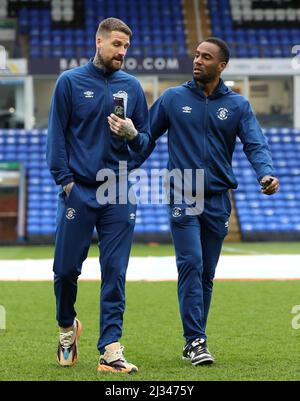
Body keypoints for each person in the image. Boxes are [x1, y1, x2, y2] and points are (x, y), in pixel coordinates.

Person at [148, 37, 279, 366]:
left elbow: (255, 143)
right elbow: (146, 137)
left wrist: (266, 173)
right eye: (196, 55)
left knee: (206, 273)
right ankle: (195, 341)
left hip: (219, 198)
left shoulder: (237, 106)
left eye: (206, 57)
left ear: (221, 66)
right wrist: (120, 163)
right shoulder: (173, 99)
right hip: (182, 192)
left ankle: (194, 339)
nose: (197, 61)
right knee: (190, 263)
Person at [47, 17, 151, 373]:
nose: (122, 52)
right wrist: (66, 183)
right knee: (64, 271)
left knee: (115, 271)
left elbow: (146, 143)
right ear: (99, 42)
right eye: (117, 45)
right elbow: (56, 137)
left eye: (126, 47)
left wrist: (134, 134)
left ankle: (110, 349)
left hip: (119, 189)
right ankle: (66, 328)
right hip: (79, 189)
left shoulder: (133, 87)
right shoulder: (70, 83)